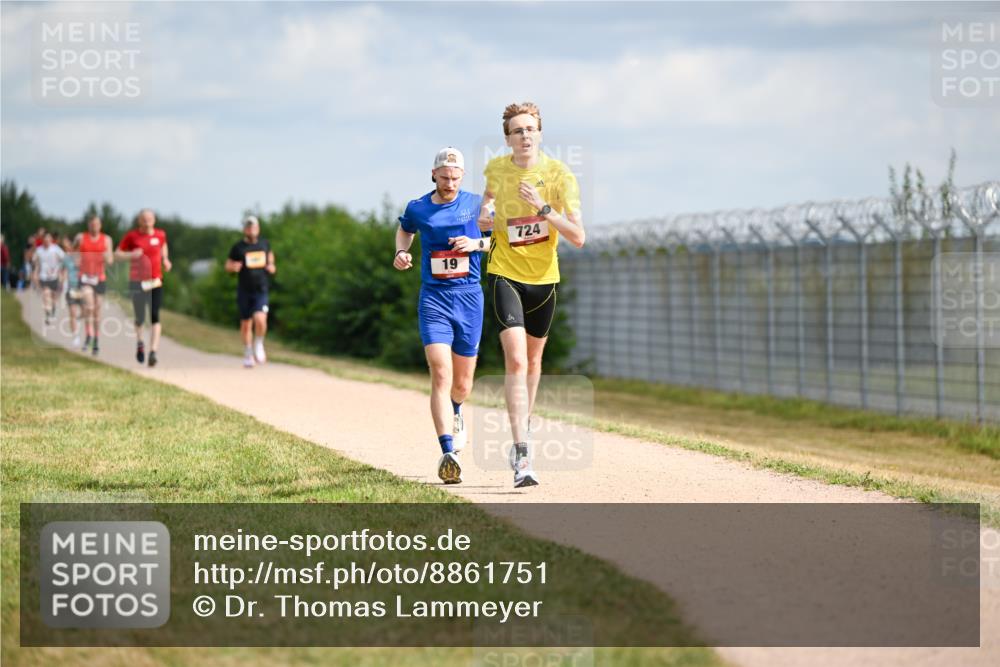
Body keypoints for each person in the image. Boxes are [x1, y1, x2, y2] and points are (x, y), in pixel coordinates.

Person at [478, 102, 585, 488]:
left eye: (530, 129)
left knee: (535, 362)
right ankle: (522, 451)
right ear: (507, 138)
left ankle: (524, 424)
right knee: (517, 362)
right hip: (505, 271)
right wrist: (485, 215)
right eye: (517, 130)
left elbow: (578, 237)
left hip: (544, 279)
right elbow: (486, 206)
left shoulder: (559, 175)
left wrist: (544, 211)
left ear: (540, 134)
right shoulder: (496, 170)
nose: (524, 136)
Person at [395, 147, 488, 485]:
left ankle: (457, 410)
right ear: (433, 174)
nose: (449, 182)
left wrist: (475, 245)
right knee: (440, 371)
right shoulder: (417, 207)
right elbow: (405, 230)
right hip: (434, 298)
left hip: (469, 297)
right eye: (444, 176)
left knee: (462, 385)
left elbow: (498, 242)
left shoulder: (477, 205)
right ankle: (447, 451)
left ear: (462, 176)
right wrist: (401, 252)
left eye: (455, 177)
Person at [116, 209, 171, 367]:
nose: (147, 222)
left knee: (155, 315)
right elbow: (117, 254)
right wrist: (131, 255)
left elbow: (163, 245)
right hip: (137, 281)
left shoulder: (160, 234)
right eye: (144, 219)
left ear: (154, 220)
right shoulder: (132, 236)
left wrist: (165, 259)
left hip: (155, 281)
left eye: (150, 219)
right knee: (140, 317)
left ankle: (153, 351)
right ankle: (140, 343)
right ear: (139, 221)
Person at [225, 216, 276, 368]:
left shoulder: (264, 243)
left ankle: (259, 343)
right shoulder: (238, 247)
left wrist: (272, 266)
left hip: (261, 289)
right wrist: (232, 268)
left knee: (261, 320)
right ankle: (248, 352)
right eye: (248, 227)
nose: (251, 229)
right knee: (246, 324)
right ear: (244, 229)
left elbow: (271, 258)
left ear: (258, 228)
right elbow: (228, 264)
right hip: (244, 290)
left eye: (253, 227)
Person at [74, 215, 114, 355]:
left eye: (96, 224)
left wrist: (106, 256)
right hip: (84, 278)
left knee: (97, 311)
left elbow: (110, 260)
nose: (94, 226)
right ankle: (88, 334)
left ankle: (96, 338)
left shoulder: (107, 239)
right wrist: (76, 259)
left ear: (100, 225)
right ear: (88, 225)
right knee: (89, 306)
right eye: (91, 224)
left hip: (99, 278)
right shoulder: (81, 237)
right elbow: (74, 253)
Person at [31, 232, 66, 326]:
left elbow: (64, 259)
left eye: (48, 239)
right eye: (45, 239)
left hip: (54, 277)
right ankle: (47, 315)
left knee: (53, 297)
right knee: (46, 295)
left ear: (51, 240)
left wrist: (60, 269)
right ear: (43, 240)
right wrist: (36, 272)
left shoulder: (56, 249)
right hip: (43, 277)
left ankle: (53, 308)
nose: (46, 241)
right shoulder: (39, 250)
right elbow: (34, 261)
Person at [60, 236, 83, 347]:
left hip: (84, 288)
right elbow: (63, 271)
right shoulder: (67, 258)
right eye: (77, 247)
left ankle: (79, 319)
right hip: (72, 288)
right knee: (72, 313)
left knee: (86, 312)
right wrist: (62, 284)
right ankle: (75, 336)